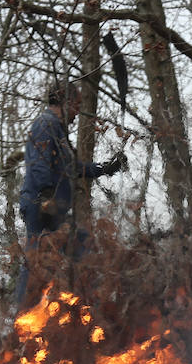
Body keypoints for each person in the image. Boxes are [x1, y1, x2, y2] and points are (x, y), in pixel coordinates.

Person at [15, 80, 126, 307]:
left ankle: (88, 306)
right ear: (64, 101)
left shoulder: (58, 131)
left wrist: (105, 168)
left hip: (51, 207)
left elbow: (72, 168)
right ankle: (21, 318)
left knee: (83, 244)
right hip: (41, 206)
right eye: (75, 104)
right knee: (35, 260)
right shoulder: (46, 123)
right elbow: (38, 161)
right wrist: (46, 196)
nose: (77, 112)